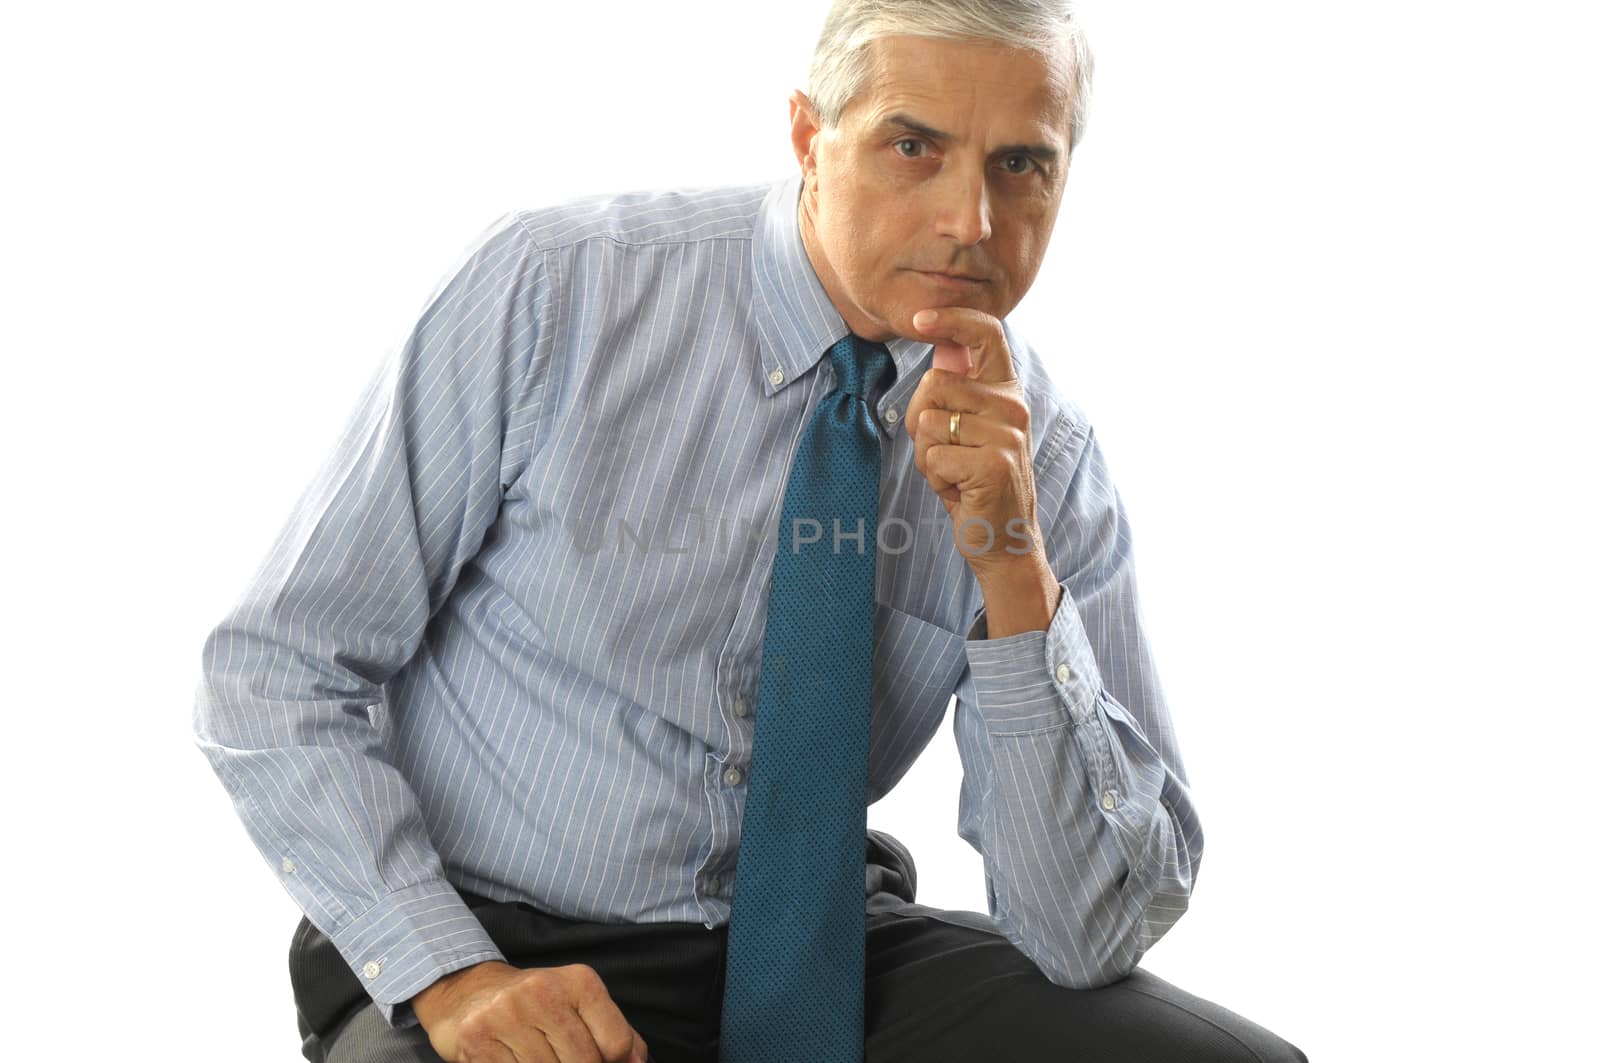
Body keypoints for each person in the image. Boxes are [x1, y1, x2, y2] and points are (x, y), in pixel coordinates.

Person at [192, 1, 1308, 1060]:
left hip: (812, 947)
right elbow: (274, 672)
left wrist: (1012, 566)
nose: (969, 223)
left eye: (1021, 164)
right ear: (808, 134)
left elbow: (1084, 936)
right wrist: (448, 973)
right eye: (913, 146)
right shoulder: (555, 292)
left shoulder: (1043, 460)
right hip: (494, 934)